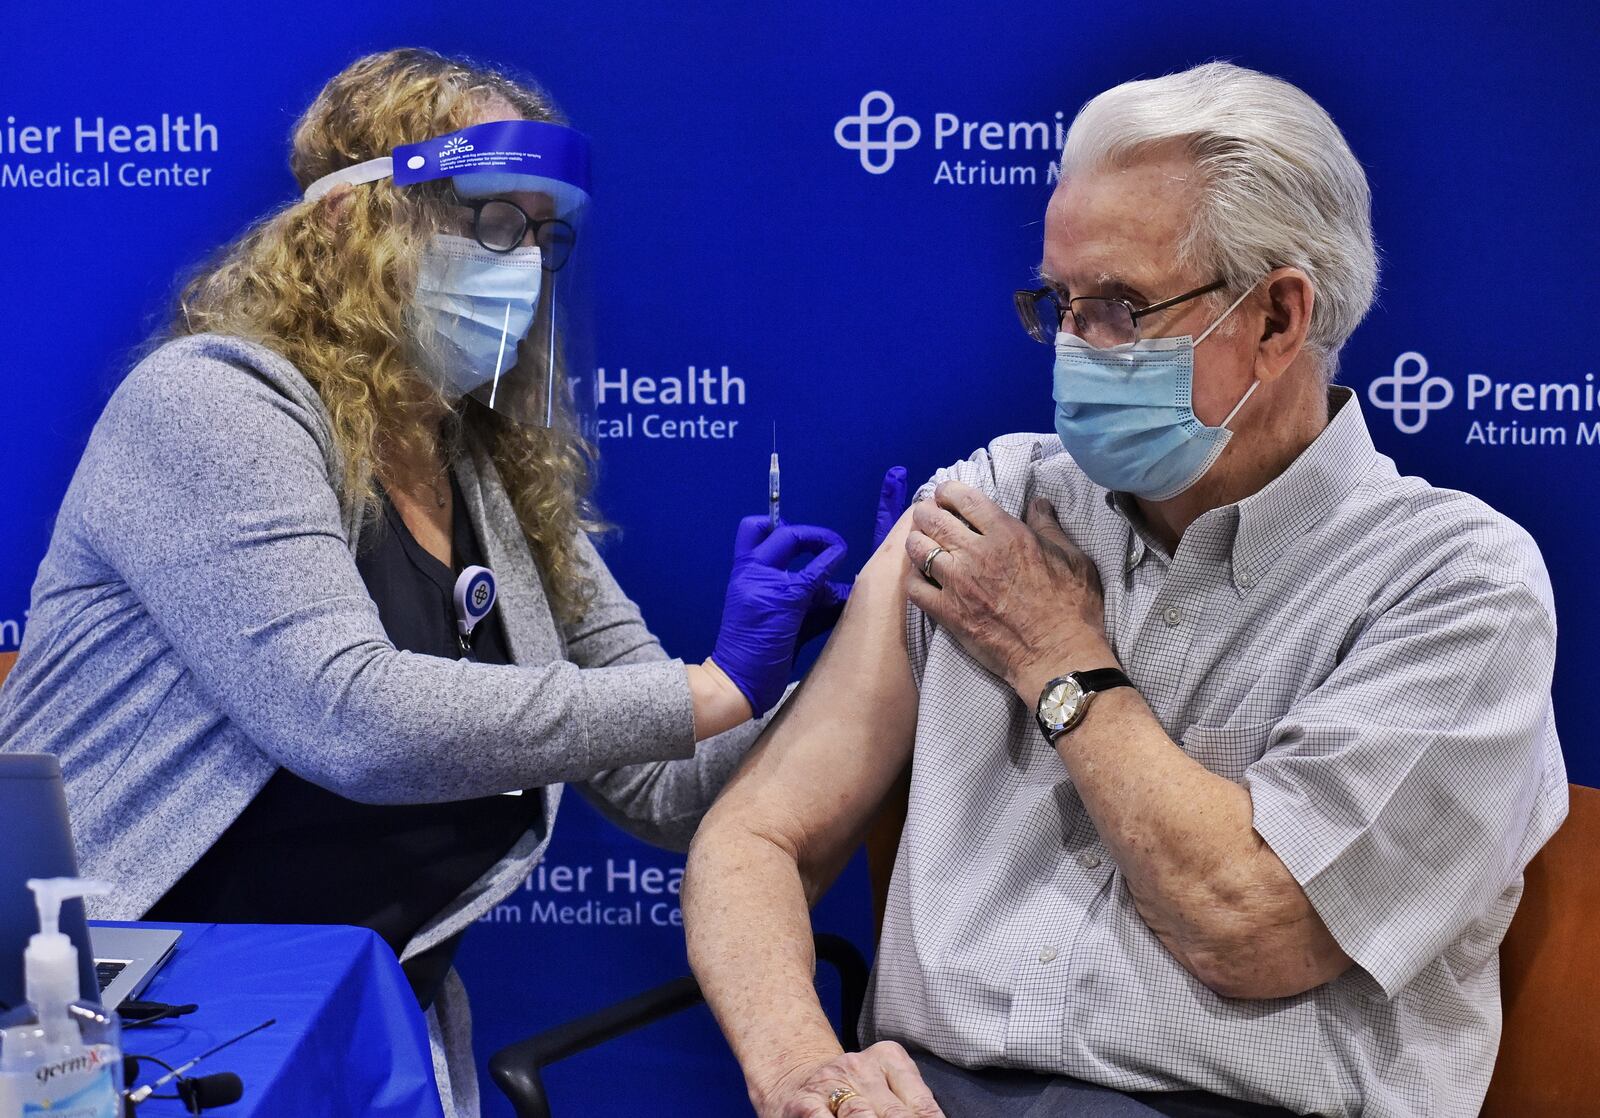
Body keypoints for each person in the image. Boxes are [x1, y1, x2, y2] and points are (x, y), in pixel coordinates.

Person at [0, 48, 902, 1118]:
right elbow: (354, 718)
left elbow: (667, 790)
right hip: (102, 1029)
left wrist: (850, 653)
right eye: (488, 222)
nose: (521, 265)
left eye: (539, 233)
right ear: (348, 224)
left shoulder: (486, 470)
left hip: (352, 1030)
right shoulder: (216, 403)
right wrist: (713, 686)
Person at [682, 61, 1567, 1118]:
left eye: (1119, 307)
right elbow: (754, 835)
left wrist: (1058, 657)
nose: (1072, 348)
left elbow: (1252, 924)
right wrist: (800, 1069)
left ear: (1278, 317)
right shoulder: (993, 502)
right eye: (1059, 302)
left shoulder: (1452, 583)